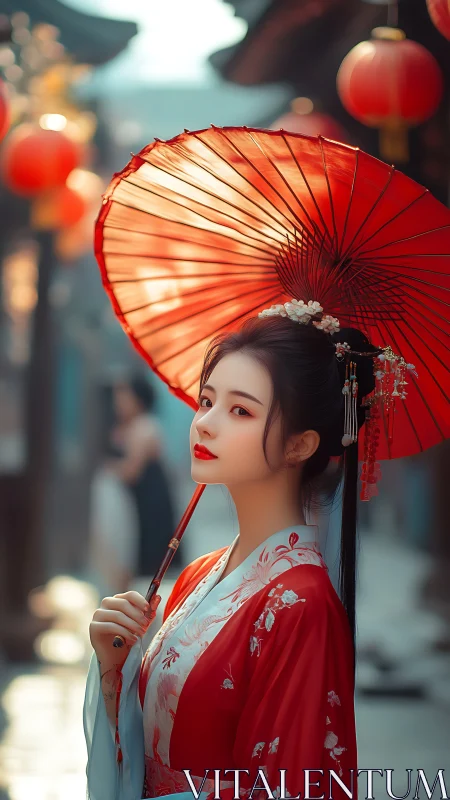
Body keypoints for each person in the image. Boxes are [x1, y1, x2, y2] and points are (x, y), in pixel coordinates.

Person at [84, 307, 370, 800]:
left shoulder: (302, 605)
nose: (205, 425)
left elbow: (288, 786)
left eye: (240, 410)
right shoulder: (198, 574)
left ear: (299, 445)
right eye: (206, 401)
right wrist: (115, 668)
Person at [107, 374, 182, 579]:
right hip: (140, 497)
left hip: (149, 498)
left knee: (147, 552)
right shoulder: (129, 426)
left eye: (124, 397)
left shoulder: (144, 426)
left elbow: (132, 471)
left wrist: (108, 468)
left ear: (138, 399)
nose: (118, 403)